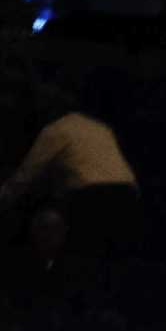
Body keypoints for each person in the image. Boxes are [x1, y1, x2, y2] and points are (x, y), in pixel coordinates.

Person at [0, 84, 140, 256]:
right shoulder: (100, 128)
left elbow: (24, 178)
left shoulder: (56, 130)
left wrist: (5, 199)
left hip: (92, 196)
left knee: (74, 253)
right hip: (127, 196)